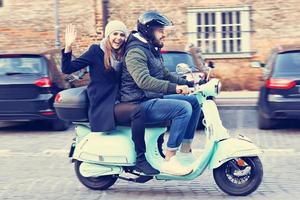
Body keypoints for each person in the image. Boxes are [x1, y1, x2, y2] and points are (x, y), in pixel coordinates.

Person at [61, 21, 159, 175]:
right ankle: (141, 159)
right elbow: (67, 69)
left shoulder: (124, 53)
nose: (118, 38)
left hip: (120, 101)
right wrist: (68, 47)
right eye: (115, 34)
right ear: (108, 35)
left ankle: (158, 153)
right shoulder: (96, 51)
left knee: (153, 108)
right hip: (103, 105)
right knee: (137, 111)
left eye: (122, 35)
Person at [119, 11, 201, 176]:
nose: (163, 34)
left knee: (194, 101)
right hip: (139, 102)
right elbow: (144, 81)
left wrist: (188, 83)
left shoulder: (150, 49)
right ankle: (170, 159)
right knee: (183, 108)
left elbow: (165, 74)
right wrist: (175, 88)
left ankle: (185, 151)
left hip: (151, 97)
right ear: (148, 30)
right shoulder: (136, 51)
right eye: (160, 30)